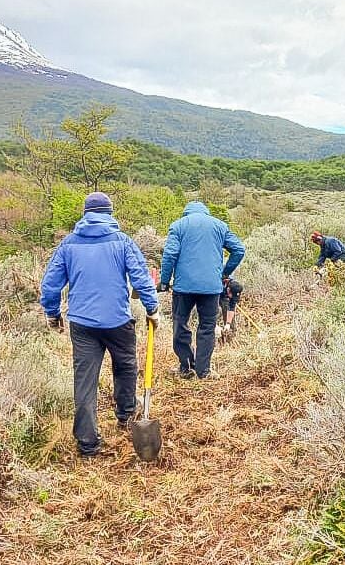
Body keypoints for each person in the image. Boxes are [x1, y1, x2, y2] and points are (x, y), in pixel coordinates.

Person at [40, 192, 159, 458]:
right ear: (110, 213)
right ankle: (127, 415)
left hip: (82, 324)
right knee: (126, 367)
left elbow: (50, 284)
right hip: (117, 321)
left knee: (85, 382)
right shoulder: (124, 242)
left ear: (85, 214)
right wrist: (152, 308)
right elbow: (141, 278)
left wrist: (53, 313)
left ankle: (88, 444)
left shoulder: (68, 245)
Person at [157, 201, 245, 379]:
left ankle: (186, 366)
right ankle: (203, 371)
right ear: (206, 213)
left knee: (180, 324)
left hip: (183, 288)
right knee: (207, 327)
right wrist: (224, 273)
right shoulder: (220, 226)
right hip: (211, 288)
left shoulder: (178, 226)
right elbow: (239, 250)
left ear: (186, 213)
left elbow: (170, 254)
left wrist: (164, 282)